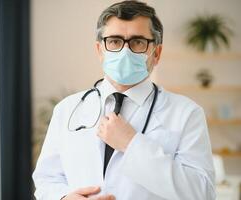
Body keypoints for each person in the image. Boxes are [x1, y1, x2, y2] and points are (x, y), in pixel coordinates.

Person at [32, 1, 215, 199]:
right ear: (100, 50)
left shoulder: (187, 113)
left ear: (156, 53)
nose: (124, 52)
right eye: (114, 41)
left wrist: (131, 144)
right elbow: (46, 179)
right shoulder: (67, 109)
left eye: (137, 42)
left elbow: (202, 192)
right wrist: (64, 198)